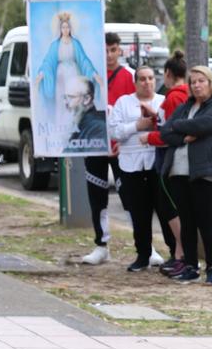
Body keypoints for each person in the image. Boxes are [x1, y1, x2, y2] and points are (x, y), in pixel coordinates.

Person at [160, 65, 212, 284]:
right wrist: (183, 136)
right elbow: (165, 132)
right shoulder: (185, 107)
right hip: (179, 172)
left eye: (201, 81)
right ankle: (190, 265)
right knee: (187, 222)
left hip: (204, 172)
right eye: (193, 82)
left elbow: (208, 124)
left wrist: (179, 127)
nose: (197, 85)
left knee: (207, 222)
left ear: (210, 83)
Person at [109, 65, 179, 272]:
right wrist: (136, 126)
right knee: (139, 213)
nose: (147, 82)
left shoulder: (162, 101)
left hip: (157, 165)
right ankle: (143, 254)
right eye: (142, 79)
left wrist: (154, 122)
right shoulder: (123, 103)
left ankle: (175, 252)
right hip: (131, 166)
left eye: (150, 78)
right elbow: (115, 131)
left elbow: (170, 129)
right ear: (135, 82)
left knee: (166, 211)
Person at [82, 32, 136, 265]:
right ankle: (101, 244)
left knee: (131, 197)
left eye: (113, 49)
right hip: (94, 145)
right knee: (97, 197)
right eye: (105, 50)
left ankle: (143, 244)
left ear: (120, 51)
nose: (109, 54)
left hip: (122, 146)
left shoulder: (130, 76)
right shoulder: (89, 77)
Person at [142, 50, 190, 275]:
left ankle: (182, 253)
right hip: (172, 159)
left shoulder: (174, 97)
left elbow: (169, 132)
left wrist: (148, 137)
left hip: (170, 159)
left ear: (168, 73)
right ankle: (180, 253)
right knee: (171, 208)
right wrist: (154, 115)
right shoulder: (181, 95)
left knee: (170, 208)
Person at [33, 11, 104, 136]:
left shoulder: (75, 43)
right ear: (60, 29)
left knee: (74, 97)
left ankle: (75, 125)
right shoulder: (55, 44)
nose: (65, 30)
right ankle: (61, 126)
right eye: (63, 27)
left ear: (70, 29)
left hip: (73, 73)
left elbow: (83, 60)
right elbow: (48, 61)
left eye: (67, 27)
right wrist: (42, 73)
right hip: (60, 77)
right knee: (62, 100)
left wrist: (93, 73)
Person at [61, 76, 107, 154]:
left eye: (70, 97)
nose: (65, 103)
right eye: (64, 97)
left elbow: (94, 155)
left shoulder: (98, 126)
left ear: (86, 99)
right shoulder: (80, 122)